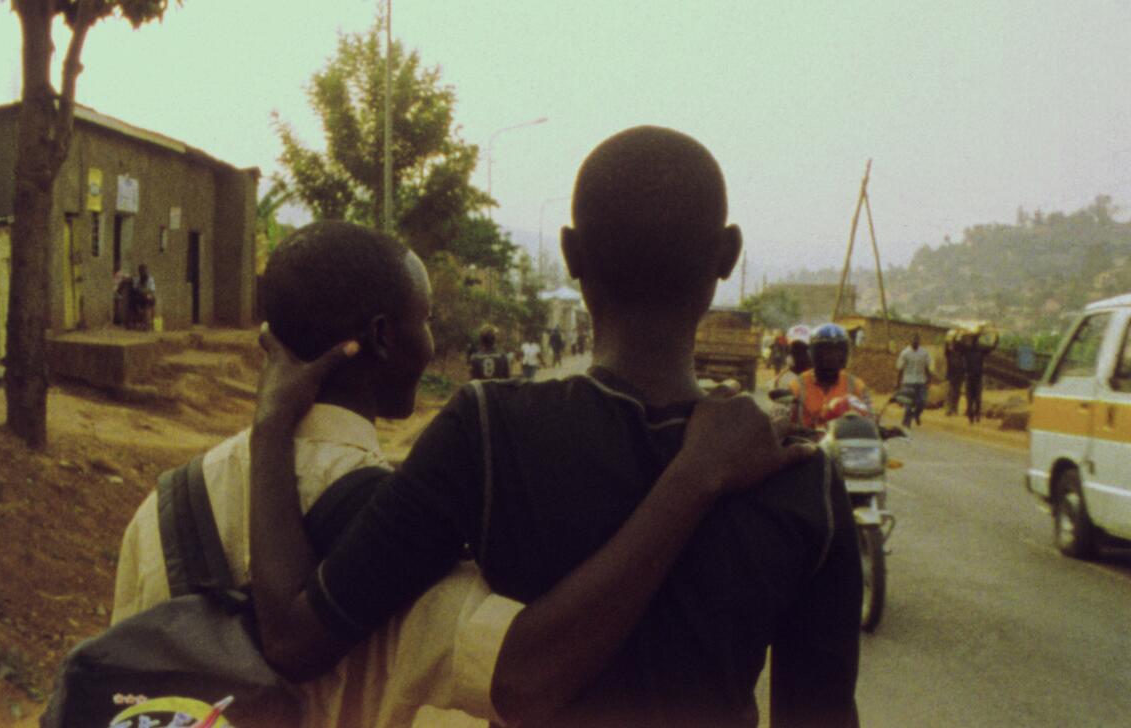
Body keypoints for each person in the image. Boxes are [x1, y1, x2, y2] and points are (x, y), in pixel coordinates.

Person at [251, 127, 862, 727]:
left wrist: (273, 424)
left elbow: (294, 639)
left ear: (570, 255)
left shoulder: (489, 433)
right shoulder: (801, 479)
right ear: (728, 255)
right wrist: (695, 475)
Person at [114, 221, 804, 728]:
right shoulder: (406, 529)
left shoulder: (163, 509)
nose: (432, 341)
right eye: (426, 321)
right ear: (385, 338)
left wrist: (269, 428)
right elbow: (528, 678)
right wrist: (694, 478)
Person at [788, 323, 870, 430]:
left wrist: (882, 431)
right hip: (807, 444)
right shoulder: (796, 386)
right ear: (813, 353)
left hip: (845, 444)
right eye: (826, 350)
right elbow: (780, 419)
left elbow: (870, 420)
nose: (833, 356)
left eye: (839, 350)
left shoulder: (857, 386)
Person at [895, 332, 931, 427]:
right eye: (913, 340)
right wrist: (898, 384)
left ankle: (916, 415)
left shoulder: (924, 353)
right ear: (910, 341)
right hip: (908, 381)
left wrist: (929, 380)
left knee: (922, 402)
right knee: (908, 404)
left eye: (917, 340)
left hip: (921, 381)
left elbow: (927, 368)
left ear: (919, 341)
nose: (915, 341)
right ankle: (907, 422)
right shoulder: (905, 353)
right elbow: (900, 369)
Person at [963, 339, 988, 424]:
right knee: (975, 399)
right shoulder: (977, 352)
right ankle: (974, 416)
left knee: (973, 399)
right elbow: (991, 347)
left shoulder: (967, 352)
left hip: (973, 379)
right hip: (973, 379)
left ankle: (974, 416)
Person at [945, 334, 966, 417]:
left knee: (956, 392)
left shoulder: (961, 355)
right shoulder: (950, 353)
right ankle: (950, 409)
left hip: (958, 375)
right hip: (953, 375)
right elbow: (946, 348)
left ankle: (953, 409)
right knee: (952, 392)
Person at [131, 263, 156, 330]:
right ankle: (137, 324)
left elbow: (152, 290)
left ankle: (147, 324)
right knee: (133, 301)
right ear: (139, 271)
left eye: (144, 270)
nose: (143, 272)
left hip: (147, 297)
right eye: (141, 271)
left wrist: (145, 293)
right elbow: (135, 289)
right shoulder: (137, 279)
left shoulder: (150, 279)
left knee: (149, 299)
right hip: (139, 297)